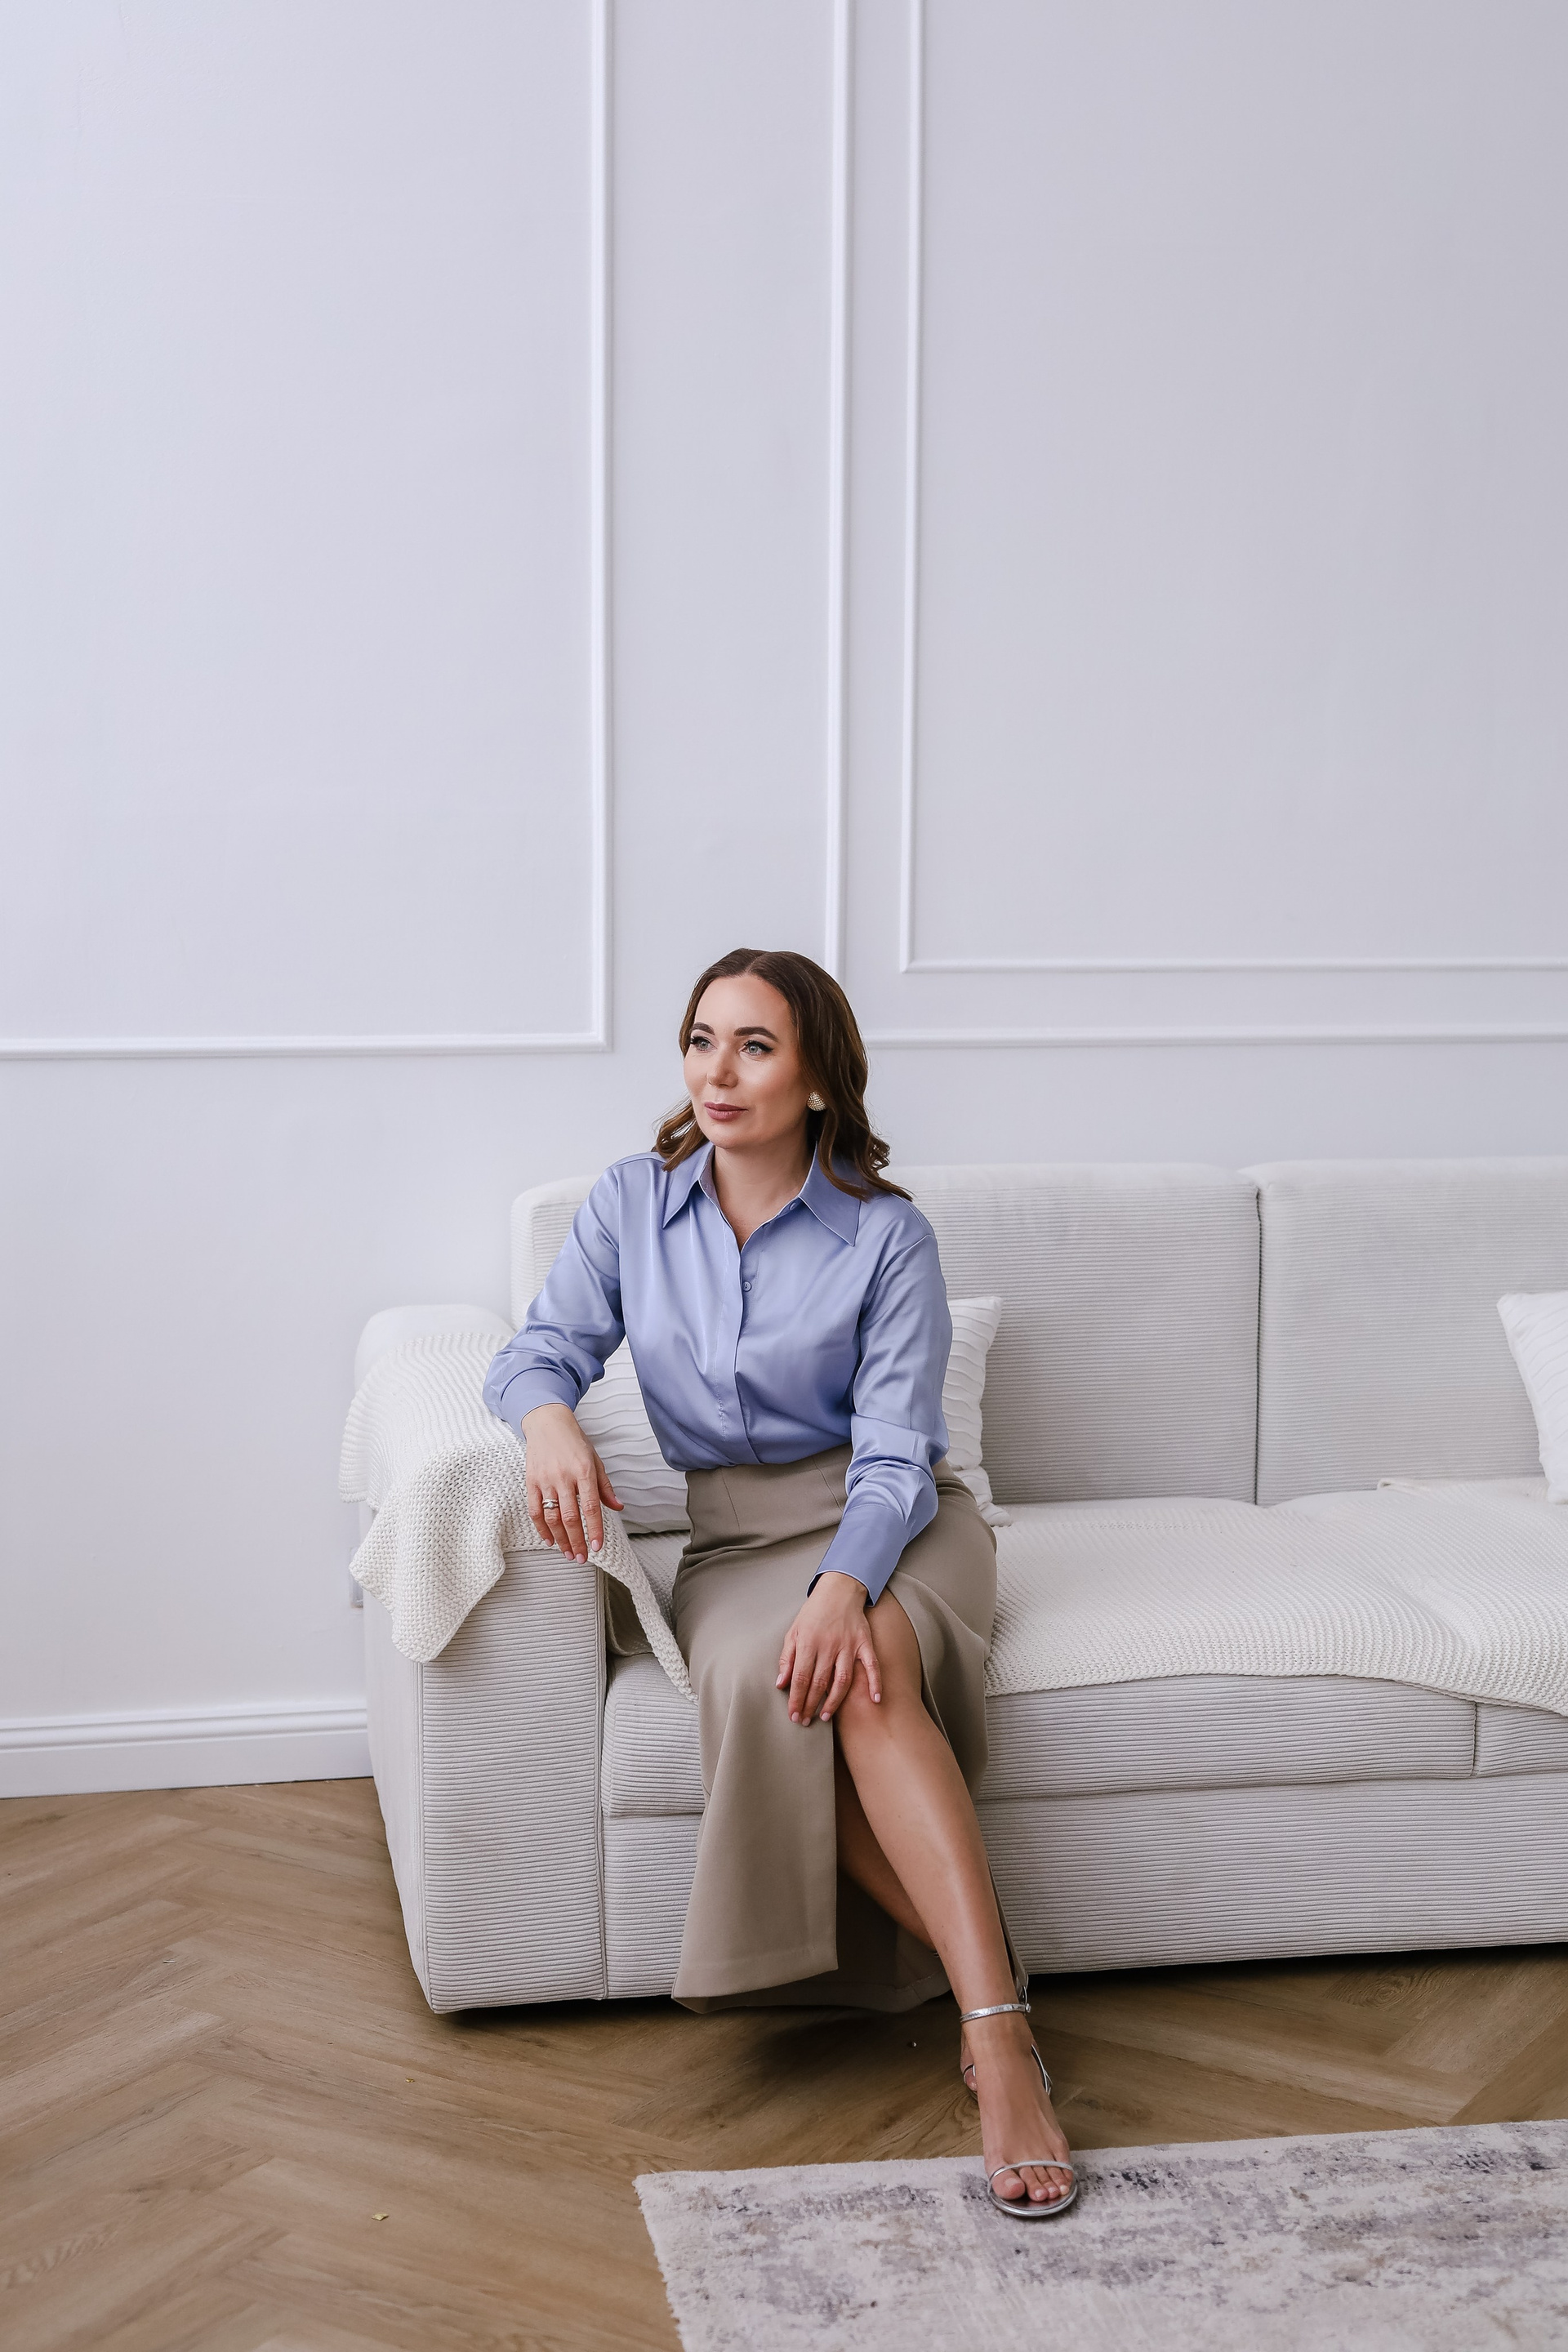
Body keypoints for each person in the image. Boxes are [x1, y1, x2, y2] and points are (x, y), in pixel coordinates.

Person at [483, 947, 1076, 2218]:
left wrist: (844, 1587)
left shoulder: (886, 1235)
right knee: (787, 1677)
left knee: (864, 1667)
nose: (719, 1072)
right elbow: (538, 1350)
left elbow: (898, 1457)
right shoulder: (632, 1205)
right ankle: (1000, 1984)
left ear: (816, 1079)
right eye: (703, 1040)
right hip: (737, 1547)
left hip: (894, 1522)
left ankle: (995, 2042)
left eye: (755, 1046)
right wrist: (548, 1420)